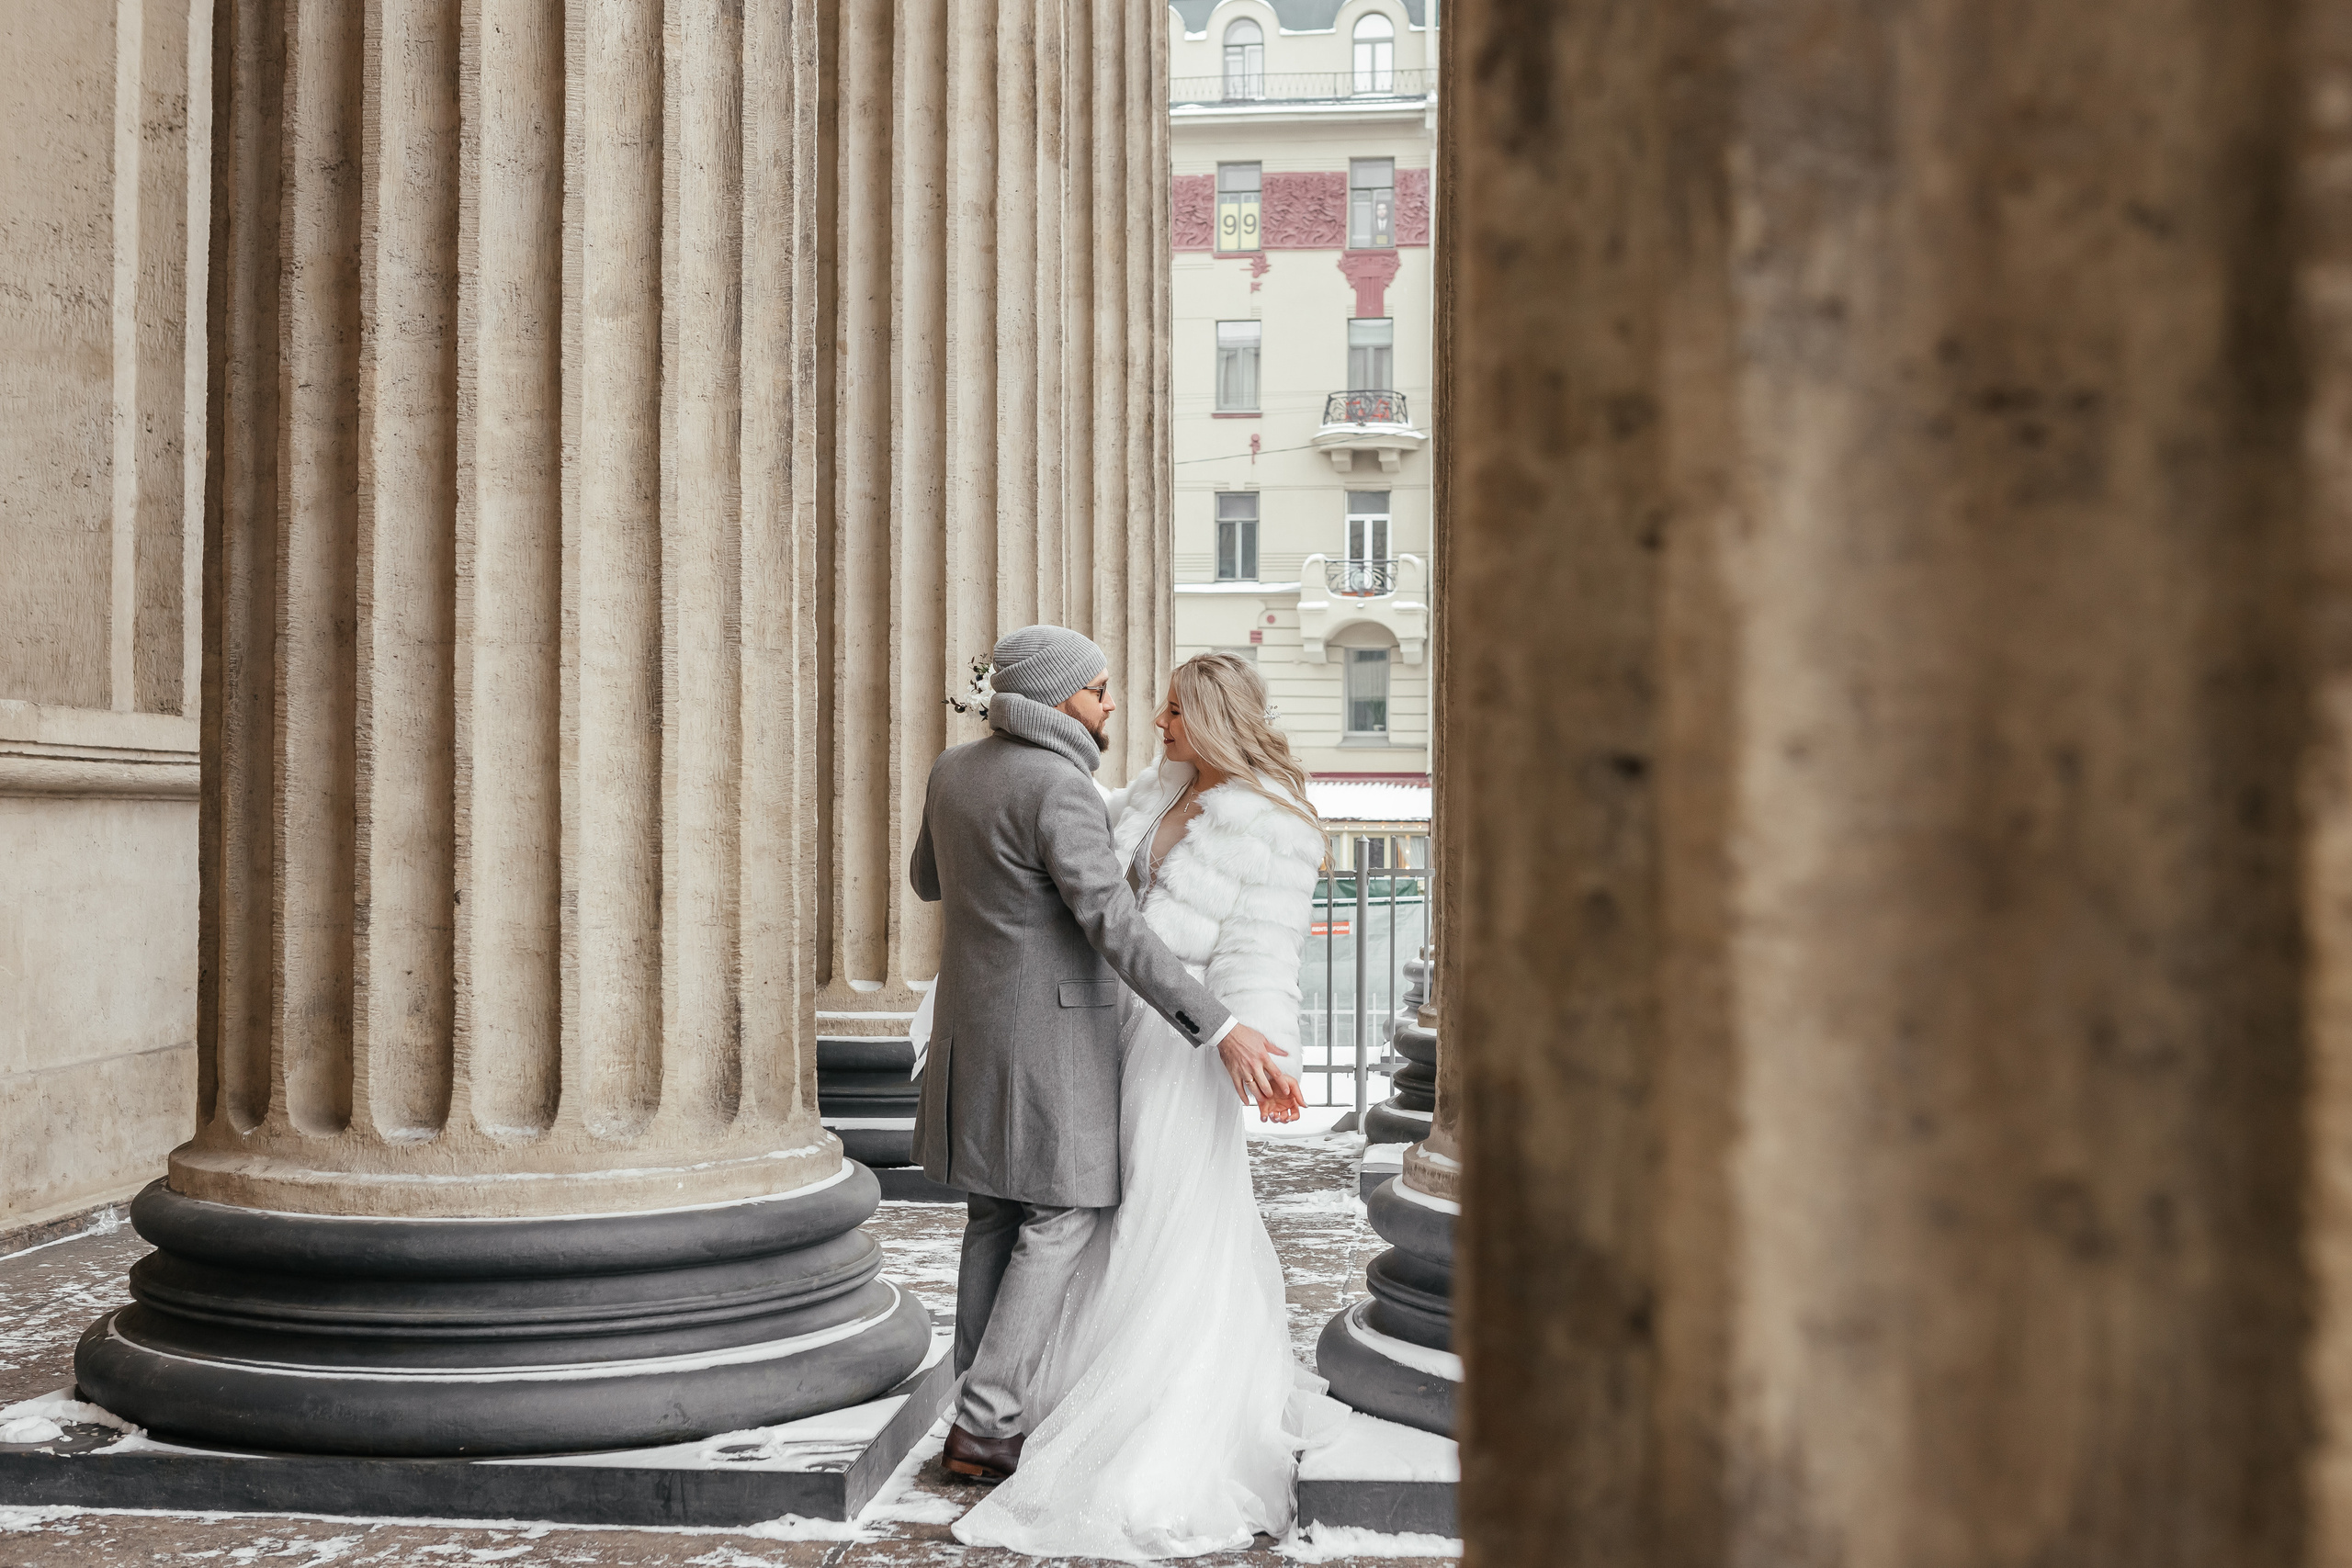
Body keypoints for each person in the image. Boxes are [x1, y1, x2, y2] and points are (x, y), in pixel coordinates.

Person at [951, 651, 1347, 1561]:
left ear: (1212, 719)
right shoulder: (1150, 790)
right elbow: (1087, 883)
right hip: (1102, 1034)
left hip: (1184, 1050)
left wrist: (1254, 1047)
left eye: (1174, 710)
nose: (1158, 722)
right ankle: (1050, 1398)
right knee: (1091, 1214)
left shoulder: (1276, 825)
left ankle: (1148, 1414)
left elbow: (1261, 950)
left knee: (1158, 1225)